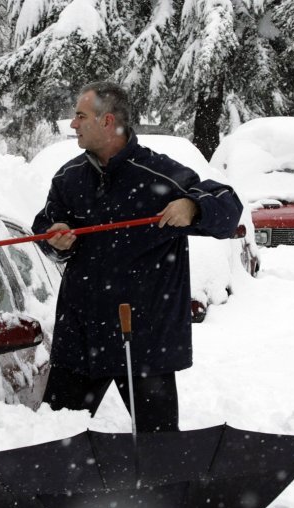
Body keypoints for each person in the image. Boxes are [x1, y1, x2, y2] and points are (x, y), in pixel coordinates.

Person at [32, 81, 243, 432]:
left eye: (80, 116)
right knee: (56, 442)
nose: (73, 124)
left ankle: (158, 489)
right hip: (82, 339)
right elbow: (45, 226)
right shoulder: (69, 178)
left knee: (158, 449)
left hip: (146, 343)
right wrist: (56, 237)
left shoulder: (161, 175)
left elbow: (227, 206)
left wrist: (193, 206)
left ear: (107, 120)